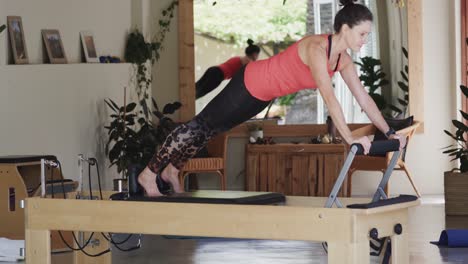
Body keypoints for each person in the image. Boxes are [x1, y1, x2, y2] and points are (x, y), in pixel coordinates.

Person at [138, 0, 406, 196]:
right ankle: (149, 174)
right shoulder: (316, 48)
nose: (364, 39)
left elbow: (364, 99)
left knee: (210, 131)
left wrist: (389, 131)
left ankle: (171, 170)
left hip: (261, 97)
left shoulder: (343, 61)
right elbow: (329, 96)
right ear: (345, 29)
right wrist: (349, 137)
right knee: (199, 125)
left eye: (367, 35)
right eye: (362, 34)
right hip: (248, 84)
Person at [196, 39, 260, 99]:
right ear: (255, 54)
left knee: (196, 88)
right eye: (257, 54)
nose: (257, 57)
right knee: (200, 92)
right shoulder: (247, 61)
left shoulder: (240, 58)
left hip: (213, 70)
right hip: (217, 75)